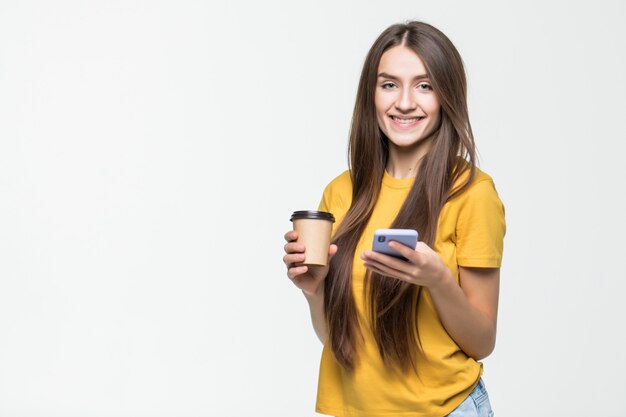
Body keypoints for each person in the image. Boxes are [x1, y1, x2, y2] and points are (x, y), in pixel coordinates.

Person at [282, 21, 505, 417]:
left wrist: (436, 280)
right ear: (371, 95)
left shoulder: (472, 193)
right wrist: (313, 291)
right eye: (389, 84)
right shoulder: (340, 193)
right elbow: (339, 344)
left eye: (424, 85)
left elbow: (481, 340)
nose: (404, 102)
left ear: (447, 95)